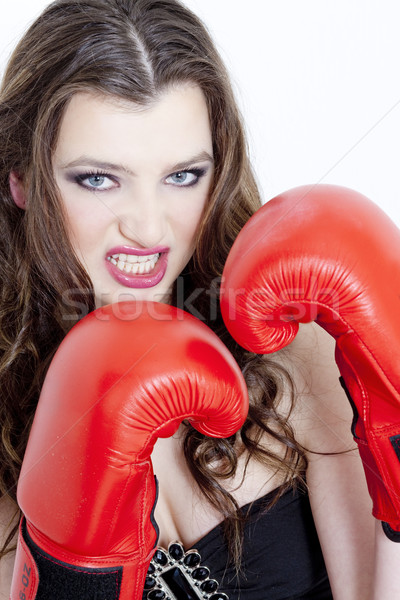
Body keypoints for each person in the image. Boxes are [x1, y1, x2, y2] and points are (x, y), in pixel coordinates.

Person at [0, 0, 397, 598]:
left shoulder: (298, 346)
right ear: (21, 178)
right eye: (99, 178)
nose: (149, 228)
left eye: (182, 175)